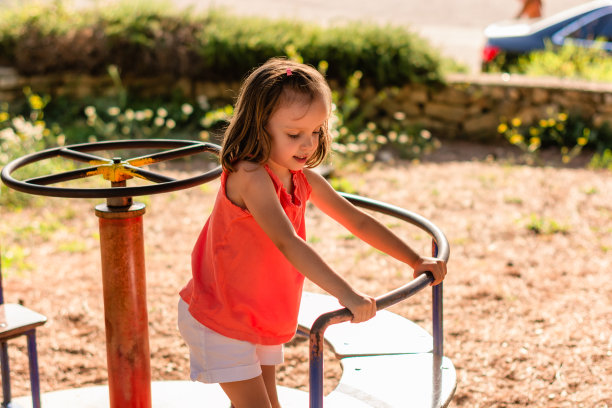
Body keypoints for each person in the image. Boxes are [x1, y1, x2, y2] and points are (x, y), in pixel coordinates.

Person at [177, 57, 447, 408]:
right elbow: (288, 242)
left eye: (316, 131)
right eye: (294, 134)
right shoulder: (250, 176)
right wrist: (346, 294)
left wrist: (414, 258)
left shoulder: (304, 180)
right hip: (221, 316)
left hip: (258, 313)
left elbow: (357, 221)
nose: (308, 144)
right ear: (260, 126)